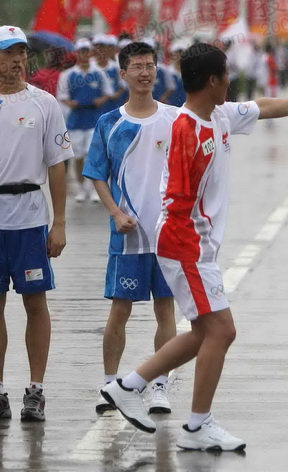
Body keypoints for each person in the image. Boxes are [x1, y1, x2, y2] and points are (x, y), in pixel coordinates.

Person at [100, 42, 288, 449]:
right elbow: (175, 198)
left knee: (204, 333)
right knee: (222, 331)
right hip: (184, 244)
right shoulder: (185, 129)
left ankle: (132, 387)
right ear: (212, 81)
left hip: (195, 246)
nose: (231, 81)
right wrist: (185, 243)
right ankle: (193, 423)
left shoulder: (221, 114)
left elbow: (263, 107)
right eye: (226, 75)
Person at [83, 42, 177, 415]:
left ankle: (159, 386)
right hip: (128, 235)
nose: (144, 72)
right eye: (136, 66)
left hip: (167, 233)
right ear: (122, 74)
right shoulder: (110, 123)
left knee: (165, 311)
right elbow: (97, 174)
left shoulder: (174, 118)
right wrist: (114, 214)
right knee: (120, 311)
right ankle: (110, 384)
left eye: (149, 65)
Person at [0, 25, 73, 421]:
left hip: (29, 216)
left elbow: (57, 165)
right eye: (8, 53)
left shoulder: (44, 104)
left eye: (21, 53)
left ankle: (36, 389)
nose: (17, 60)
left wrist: (58, 222)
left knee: (35, 303)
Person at [57, 38, 112, 203]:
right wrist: (71, 103)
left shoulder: (99, 73)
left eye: (86, 51)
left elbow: (108, 92)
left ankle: (93, 189)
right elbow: (62, 96)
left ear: (90, 53)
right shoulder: (68, 74)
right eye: (81, 51)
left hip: (94, 119)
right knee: (78, 156)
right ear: (77, 53)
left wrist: (100, 101)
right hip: (76, 121)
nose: (84, 54)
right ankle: (81, 189)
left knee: (92, 155)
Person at [92, 34, 127, 113]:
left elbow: (123, 85)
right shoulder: (90, 66)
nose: (99, 50)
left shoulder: (116, 66)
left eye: (102, 47)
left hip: (113, 106)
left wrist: (116, 95)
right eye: (97, 47)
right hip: (95, 108)